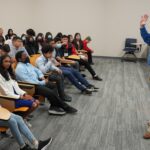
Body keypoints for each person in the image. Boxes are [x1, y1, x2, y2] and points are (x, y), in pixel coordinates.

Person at [15, 51, 77, 115]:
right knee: (50, 92)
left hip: (38, 81)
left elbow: (37, 70)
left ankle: (53, 107)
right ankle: (66, 107)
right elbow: (29, 81)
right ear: (19, 59)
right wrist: (43, 82)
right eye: (24, 55)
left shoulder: (28, 64)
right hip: (32, 86)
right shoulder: (19, 68)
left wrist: (41, 76)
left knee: (53, 85)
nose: (27, 56)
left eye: (26, 55)